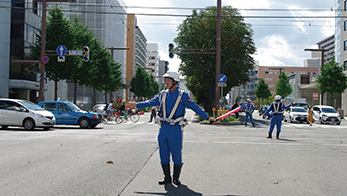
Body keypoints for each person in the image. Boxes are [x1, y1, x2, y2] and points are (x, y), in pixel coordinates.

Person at [126, 71, 215, 186]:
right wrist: (136, 105)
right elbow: (150, 102)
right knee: (163, 153)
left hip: (175, 129)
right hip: (163, 128)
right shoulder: (162, 94)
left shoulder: (182, 96)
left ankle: (176, 177)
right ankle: (167, 177)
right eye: (165, 80)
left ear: (175, 82)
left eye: (168, 80)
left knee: (176, 153)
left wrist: (207, 118)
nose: (166, 82)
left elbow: (195, 108)